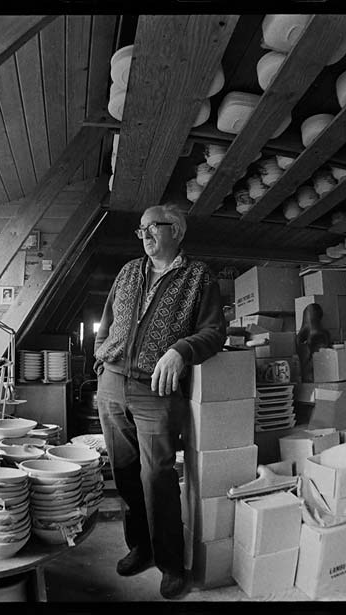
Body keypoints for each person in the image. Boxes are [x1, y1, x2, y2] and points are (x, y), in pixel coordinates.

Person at [93, 203, 226, 599]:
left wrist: (181, 350)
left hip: (156, 391)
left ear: (176, 231)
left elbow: (214, 331)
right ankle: (141, 547)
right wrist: (101, 359)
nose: (145, 234)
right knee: (124, 472)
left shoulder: (198, 276)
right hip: (112, 384)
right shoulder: (128, 272)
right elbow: (106, 322)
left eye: (153, 226)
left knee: (158, 479)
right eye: (141, 229)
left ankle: (170, 563)